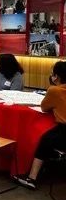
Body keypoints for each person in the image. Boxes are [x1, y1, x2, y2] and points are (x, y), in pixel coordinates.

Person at [15, 61, 66, 190]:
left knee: (44, 138)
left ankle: (32, 177)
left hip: (64, 133)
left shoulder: (55, 90)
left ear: (56, 76)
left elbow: (44, 108)